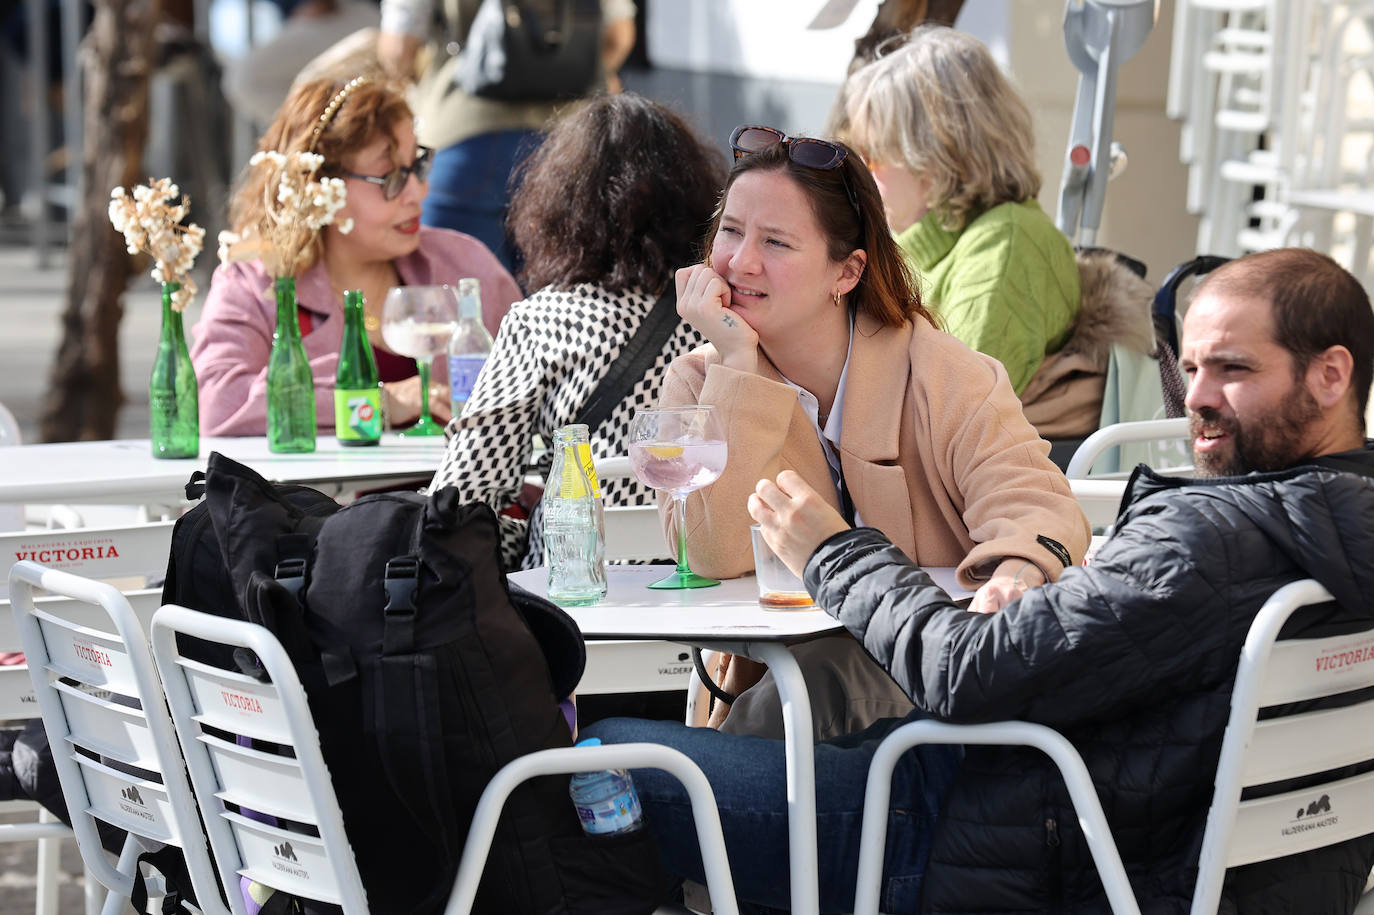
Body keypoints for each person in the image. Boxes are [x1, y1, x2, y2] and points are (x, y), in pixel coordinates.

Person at [590, 247, 1374, 912]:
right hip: (1220, 866)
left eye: (1234, 369)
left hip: (976, 845)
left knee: (598, 760)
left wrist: (833, 549)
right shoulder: (1331, 526)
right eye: (1192, 366)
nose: (1198, 397)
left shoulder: (1214, 538)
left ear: (1331, 375)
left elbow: (966, 674)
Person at [663, 126, 1090, 740]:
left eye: (776, 242)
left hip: (940, 687)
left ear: (848, 271)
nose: (739, 261)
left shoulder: (944, 373)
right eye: (730, 231)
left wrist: (1014, 575)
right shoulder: (701, 383)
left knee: (793, 706)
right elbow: (708, 556)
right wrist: (736, 364)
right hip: (778, 689)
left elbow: (1032, 500)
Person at [427, 93, 726, 571]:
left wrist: (517, 539)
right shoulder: (719, 318)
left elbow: (462, 492)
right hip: (703, 593)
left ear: (559, 209)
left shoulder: (542, 321)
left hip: (574, 601)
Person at [193, 75, 521, 436]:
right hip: (325, 494)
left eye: (418, 166)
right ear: (316, 185)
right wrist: (374, 403)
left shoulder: (464, 265)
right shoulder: (257, 286)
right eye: (391, 178)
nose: (419, 191)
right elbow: (216, 403)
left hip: (456, 492)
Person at [836, 25, 1080, 398]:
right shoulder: (917, 241)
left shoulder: (1007, 242)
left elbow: (950, 409)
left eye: (873, 156)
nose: (864, 175)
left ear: (934, 158)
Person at [376, 0, 637, 273]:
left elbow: (399, 48)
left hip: (466, 135)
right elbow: (618, 35)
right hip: (571, 139)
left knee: (461, 292)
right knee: (559, 294)